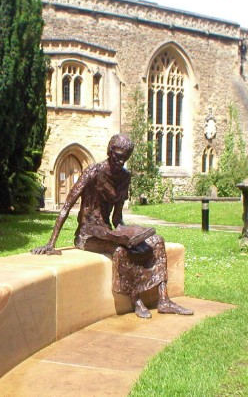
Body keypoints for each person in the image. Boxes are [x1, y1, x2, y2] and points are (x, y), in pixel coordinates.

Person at [32, 134, 193, 318]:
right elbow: (67, 206)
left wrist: (131, 233)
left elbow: (117, 218)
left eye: (125, 158)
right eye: (117, 156)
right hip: (88, 235)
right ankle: (136, 300)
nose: (120, 161)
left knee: (157, 241)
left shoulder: (124, 177)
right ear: (109, 152)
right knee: (121, 251)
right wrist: (51, 243)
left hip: (107, 231)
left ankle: (164, 300)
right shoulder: (93, 172)